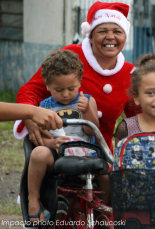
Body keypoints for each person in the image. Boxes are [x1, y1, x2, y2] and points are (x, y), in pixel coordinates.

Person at [14, 1, 140, 152]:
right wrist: (29, 115)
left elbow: (141, 116)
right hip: (57, 146)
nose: (110, 37)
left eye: (117, 31)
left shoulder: (131, 74)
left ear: (125, 36)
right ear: (91, 36)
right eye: (102, 31)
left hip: (100, 152)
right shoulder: (70, 56)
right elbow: (30, 90)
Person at [26, 50, 109, 223]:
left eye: (71, 89)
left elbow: (92, 131)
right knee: (38, 153)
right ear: (47, 86)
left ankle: (105, 209)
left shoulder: (86, 100)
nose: (65, 94)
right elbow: (44, 137)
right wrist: (53, 142)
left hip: (85, 151)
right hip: (58, 152)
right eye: (58, 89)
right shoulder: (45, 107)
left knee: (108, 171)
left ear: (80, 82)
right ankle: (33, 200)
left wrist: (86, 110)